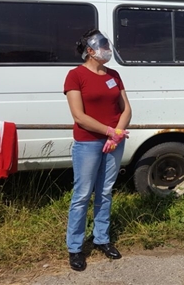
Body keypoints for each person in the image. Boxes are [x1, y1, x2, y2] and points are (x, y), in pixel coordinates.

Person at [64, 29, 132, 271]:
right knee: (82, 195)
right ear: (90, 51)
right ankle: (75, 247)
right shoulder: (75, 76)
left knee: (105, 192)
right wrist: (109, 131)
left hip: (113, 141)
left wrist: (117, 134)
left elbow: (126, 110)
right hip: (88, 142)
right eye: (102, 46)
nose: (107, 49)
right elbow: (79, 116)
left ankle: (101, 238)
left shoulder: (113, 75)